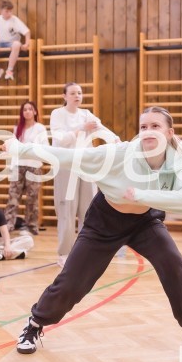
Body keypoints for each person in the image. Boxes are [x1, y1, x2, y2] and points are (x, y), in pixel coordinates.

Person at [5, 106, 182, 362]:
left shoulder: (178, 161)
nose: (148, 131)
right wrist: (19, 149)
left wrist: (141, 197)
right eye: (143, 127)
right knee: (73, 280)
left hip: (144, 221)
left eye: (155, 126)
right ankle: (35, 324)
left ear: (169, 132)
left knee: (174, 264)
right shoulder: (117, 155)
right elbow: (66, 156)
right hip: (105, 220)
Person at [50, 82, 119, 267]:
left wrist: (115, 139)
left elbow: (101, 129)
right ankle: (64, 253)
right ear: (65, 96)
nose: (77, 96)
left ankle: (83, 252)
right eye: (72, 93)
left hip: (86, 165)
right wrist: (81, 128)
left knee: (88, 211)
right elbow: (61, 140)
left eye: (79, 93)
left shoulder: (86, 114)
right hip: (66, 165)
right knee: (67, 210)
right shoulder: (58, 114)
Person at [5, 100, 47, 234]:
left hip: (34, 166)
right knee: (13, 197)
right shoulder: (18, 128)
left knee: (32, 198)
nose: (27, 112)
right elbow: (12, 148)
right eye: (25, 109)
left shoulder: (40, 128)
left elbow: (44, 146)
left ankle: (31, 225)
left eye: (30, 109)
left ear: (35, 112)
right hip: (18, 166)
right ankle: (9, 224)